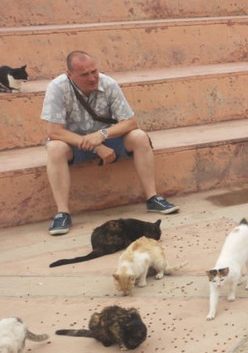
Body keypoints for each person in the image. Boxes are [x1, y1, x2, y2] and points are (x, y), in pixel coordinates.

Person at [41, 51, 178, 235]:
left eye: (94, 71)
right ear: (70, 74)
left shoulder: (108, 83)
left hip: (107, 138)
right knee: (55, 148)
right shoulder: (57, 87)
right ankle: (62, 213)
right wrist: (95, 146)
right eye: (84, 74)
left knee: (139, 137)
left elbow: (130, 122)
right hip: (74, 143)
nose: (92, 78)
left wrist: (102, 134)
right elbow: (53, 131)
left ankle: (153, 198)